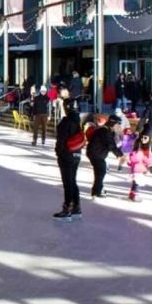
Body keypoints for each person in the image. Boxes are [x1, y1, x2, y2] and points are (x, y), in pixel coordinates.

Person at [53, 89, 83, 222]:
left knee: (68, 182)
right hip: (76, 155)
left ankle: (67, 209)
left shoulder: (66, 122)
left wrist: (58, 153)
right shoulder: (77, 121)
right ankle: (76, 207)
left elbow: (61, 141)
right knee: (73, 181)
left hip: (66, 155)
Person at [86, 115, 124, 199]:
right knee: (100, 171)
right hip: (96, 154)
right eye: (118, 124)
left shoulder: (106, 130)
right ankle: (97, 191)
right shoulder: (105, 131)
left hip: (95, 153)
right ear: (113, 123)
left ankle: (98, 190)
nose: (118, 127)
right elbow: (110, 144)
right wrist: (120, 155)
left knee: (100, 172)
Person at [127, 132, 152, 201]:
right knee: (137, 183)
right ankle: (135, 195)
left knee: (135, 182)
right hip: (139, 170)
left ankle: (132, 194)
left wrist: (130, 164)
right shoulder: (140, 153)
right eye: (142, 138)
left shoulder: (134, 152)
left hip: (135, 170)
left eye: (145, 138)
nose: (143, 140)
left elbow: (131, 161)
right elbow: (147, 160)